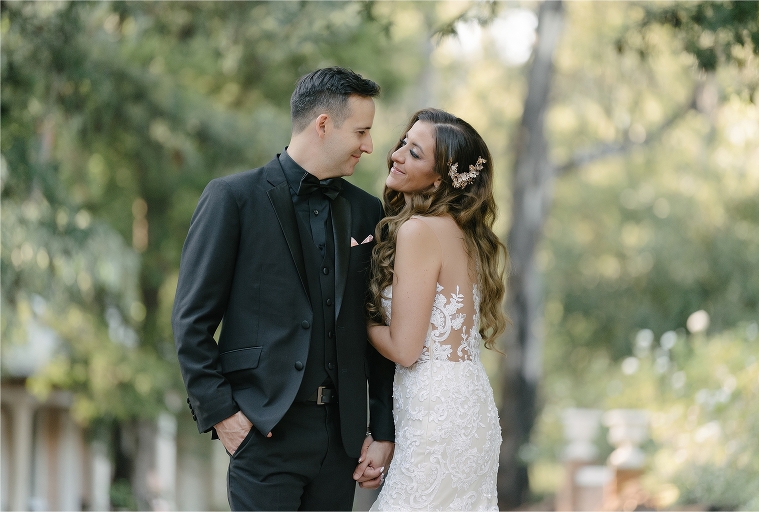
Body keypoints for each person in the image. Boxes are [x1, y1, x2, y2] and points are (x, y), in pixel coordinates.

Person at [171, 67, 396, 511]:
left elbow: (378, 327)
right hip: (263, 433)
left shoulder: (368, 211)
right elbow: (191, 322)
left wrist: (383, 430)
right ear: (324, 124)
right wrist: (223, 415)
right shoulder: (232, 198)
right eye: (362, 132)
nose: (370, 146)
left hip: (343, 443)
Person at [362, 108, 507, 510]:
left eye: (414, 153)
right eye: (403, 144)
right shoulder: (464, 233)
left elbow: (405, 349)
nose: (396, 155)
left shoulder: (419, 230)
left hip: (435, 413)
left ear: (440, 178)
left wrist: (352, 318)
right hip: (469, 403)